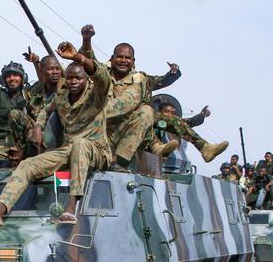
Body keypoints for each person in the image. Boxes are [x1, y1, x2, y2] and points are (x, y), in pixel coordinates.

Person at [0, 41, 111, 228]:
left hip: (96, 150)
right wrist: (38, 127)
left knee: (79, 143)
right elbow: (45, 110)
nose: (73, 82)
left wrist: (77, 57)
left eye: (78, 78)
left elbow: (102, 76)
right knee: (27, 164)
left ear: (86, 80)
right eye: (69, 78)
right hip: (69, 151)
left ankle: (70, 207)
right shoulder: (62, 96)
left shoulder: (97, 94)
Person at [79, 25, 225, 170]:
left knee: (157, 115)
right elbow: (87, 60)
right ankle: (156, 146)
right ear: (112, 58)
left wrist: (172, 73)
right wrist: (87, 39)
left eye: (127, 58)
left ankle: (204, 147)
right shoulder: (102, 73)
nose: (123, 60)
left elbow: (162, 81)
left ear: (133, 61)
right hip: (100, 128)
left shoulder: (141, 80)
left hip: (129, 130)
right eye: (120, 57)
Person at [12, 50, 64, 159]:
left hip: (58, 132)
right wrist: (36, 129)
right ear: (42, 71)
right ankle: (16, 154)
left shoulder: (66, 88)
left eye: (57, 68)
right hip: (37, 129)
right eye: (50, 69)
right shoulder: (36, 91)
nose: (55, 72)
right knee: (15, 114)